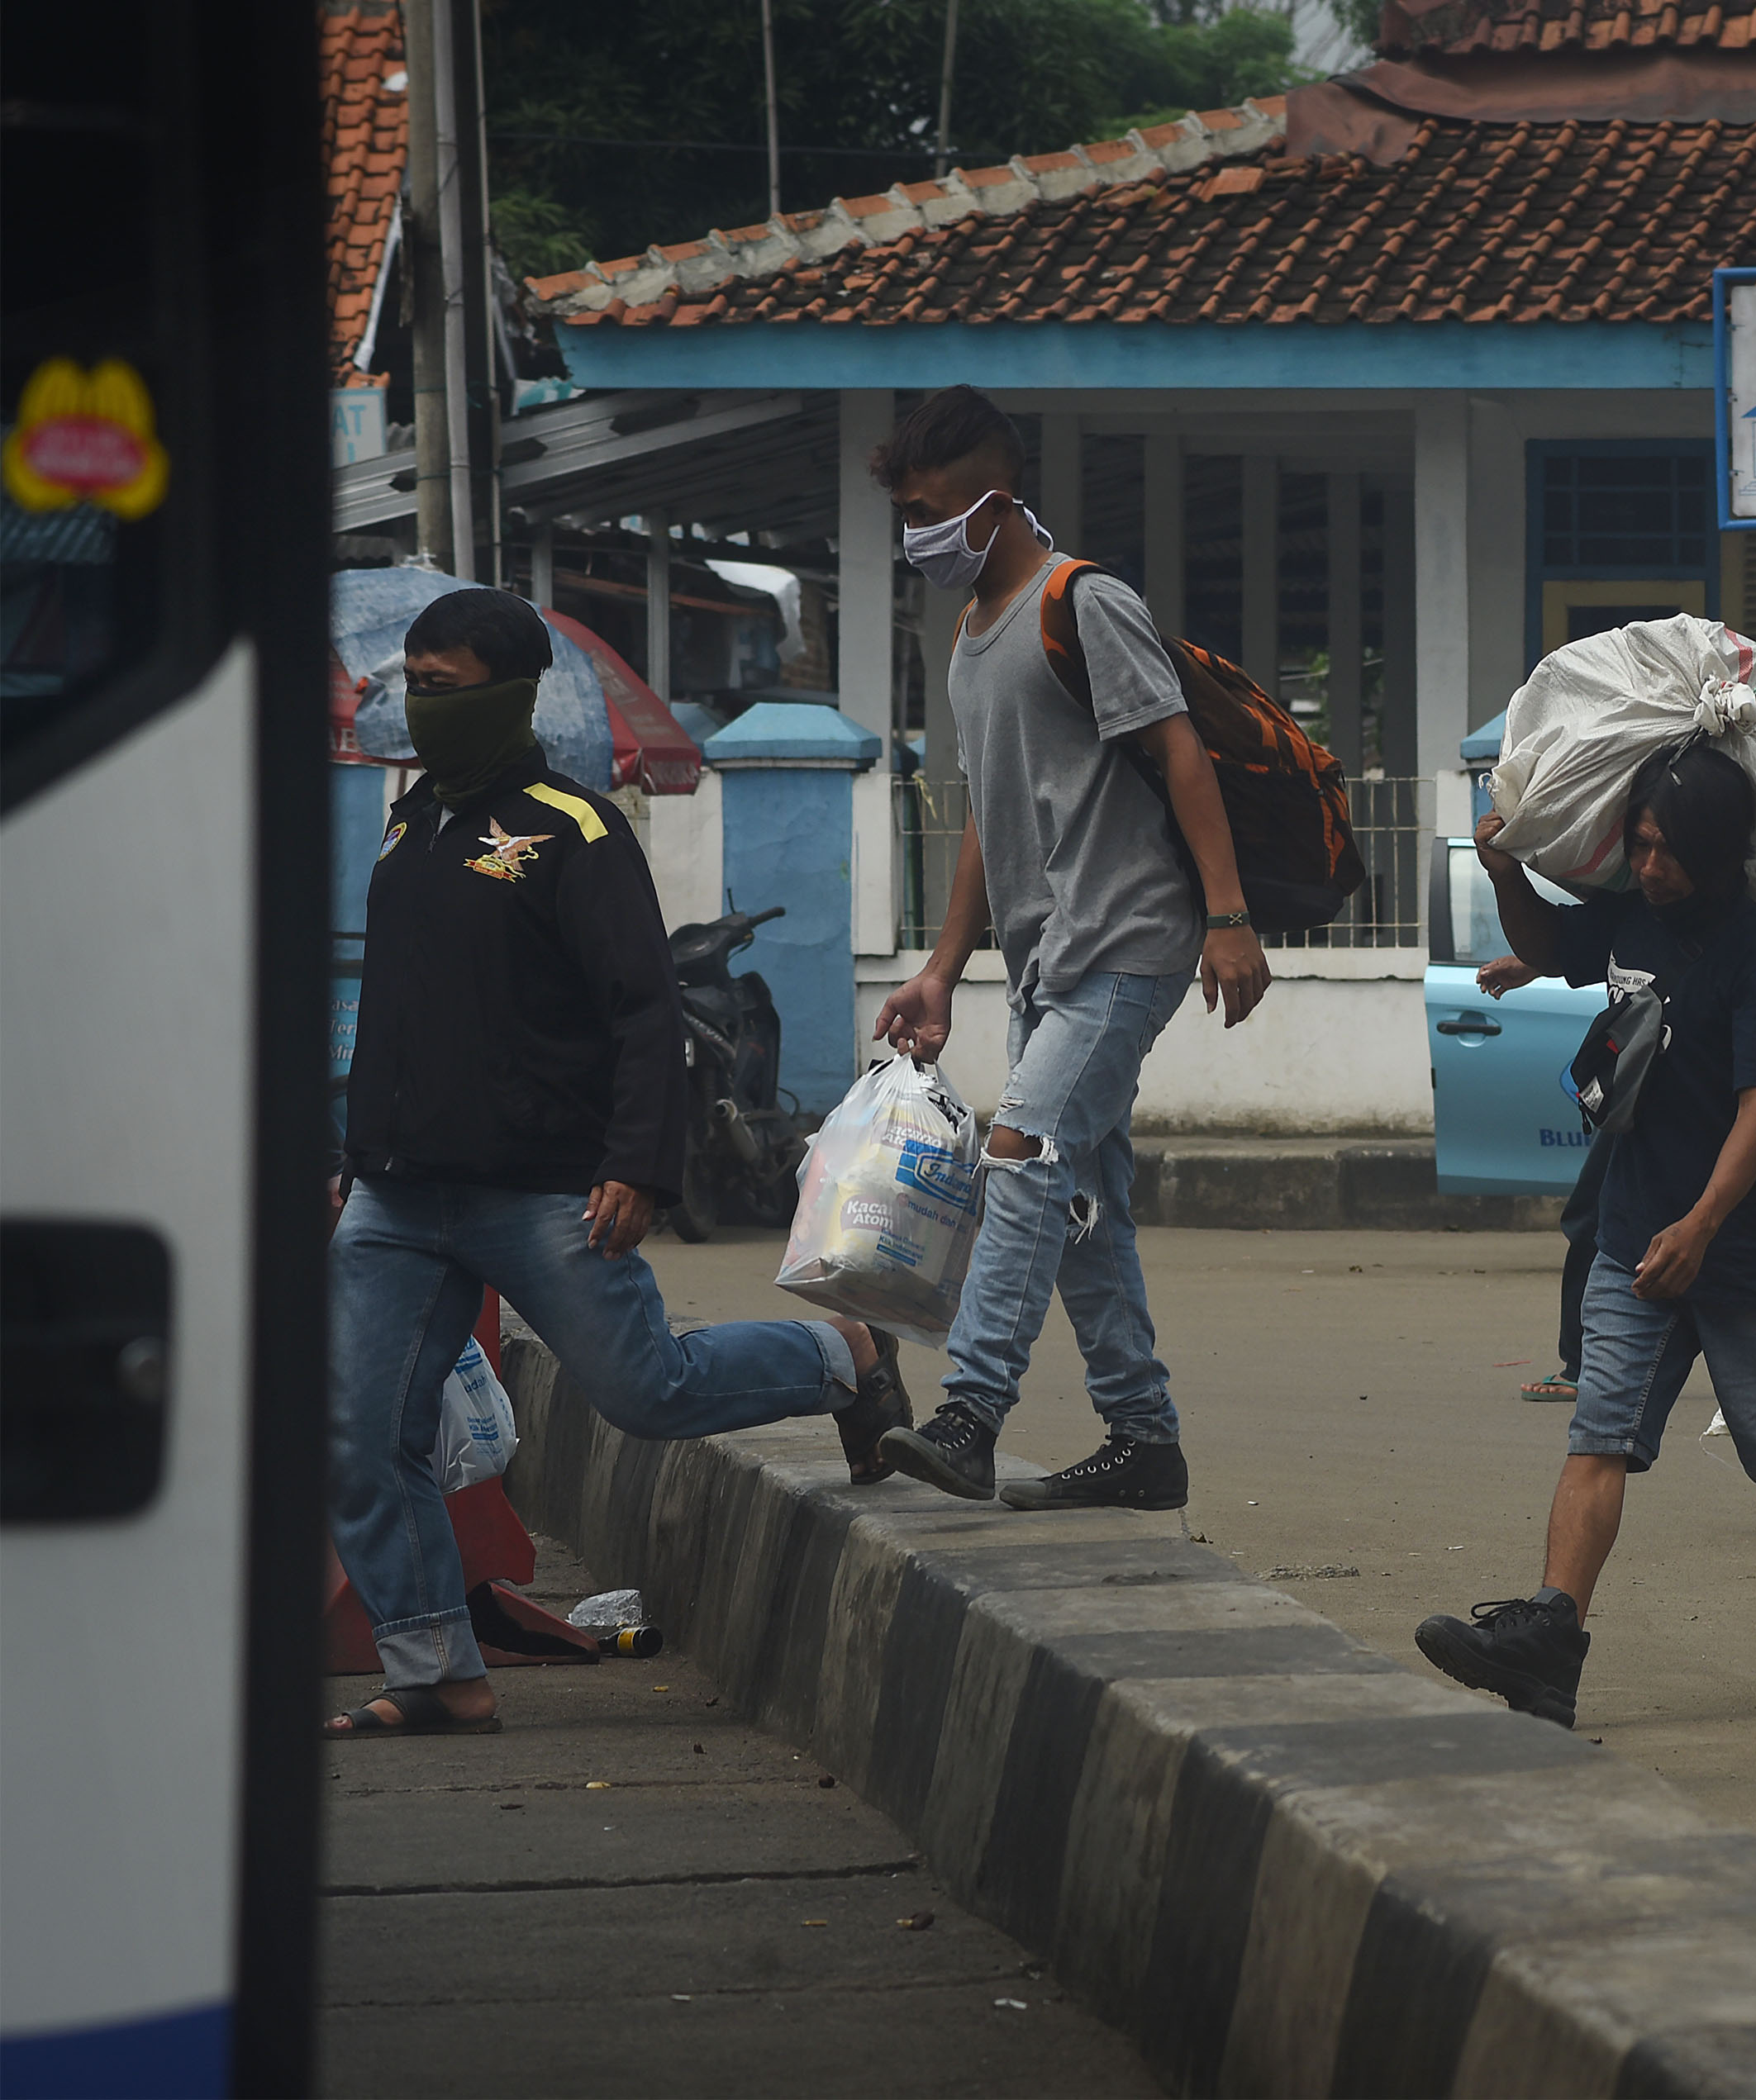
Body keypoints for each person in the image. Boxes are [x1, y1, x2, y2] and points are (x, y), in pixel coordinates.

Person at [327, 589, 911, 1738]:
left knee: (651, 1390)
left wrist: (639, 1166)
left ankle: (842, 1351)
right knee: (361, 1432)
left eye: (440, 688)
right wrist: (351, 1154)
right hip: (398, 1193)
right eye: (414, 686)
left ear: (503, 692)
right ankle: (437, 1672)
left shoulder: (573, 828)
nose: (420, 708)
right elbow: (394, 1009)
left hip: (539, 1186)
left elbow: (644, 1013)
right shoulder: (413, 822)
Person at [1412, 744, 1756, 1727]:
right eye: (1636, 845)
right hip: (1639, 1231)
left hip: (1740, 1242)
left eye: (1666, 852)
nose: (1646, 866)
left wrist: (1702, 1224)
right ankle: (1552, 1639)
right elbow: (1554, 945)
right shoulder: (1636, 916)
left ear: (1719, 856)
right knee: (1601, 1428)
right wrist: (1507, 870)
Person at [867, 387, 1272, 1510]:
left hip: (1129, 939)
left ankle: (972, 1411)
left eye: (930, 510)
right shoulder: (969, 632)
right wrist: (943, 967)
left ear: (992, 504)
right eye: (906, 512)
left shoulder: (1080, 601)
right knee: (1081, 1198)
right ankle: (1143, 1437)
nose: (917, 535)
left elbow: (1180, 753)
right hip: (1045, 961)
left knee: (1024, 1157)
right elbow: (988, 816)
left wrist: (1229, 920)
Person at [1473, 951, 1608, 1404]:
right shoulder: (1637, 909)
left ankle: (1584, 1366)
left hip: (1688, 1079)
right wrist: (1533, 963)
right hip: (1644, 1082)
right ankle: (1588, 1363)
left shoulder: (1714, 921)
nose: (1649, 873)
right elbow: (1594, 937)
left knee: (1598, 1222)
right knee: (1597, 1220)